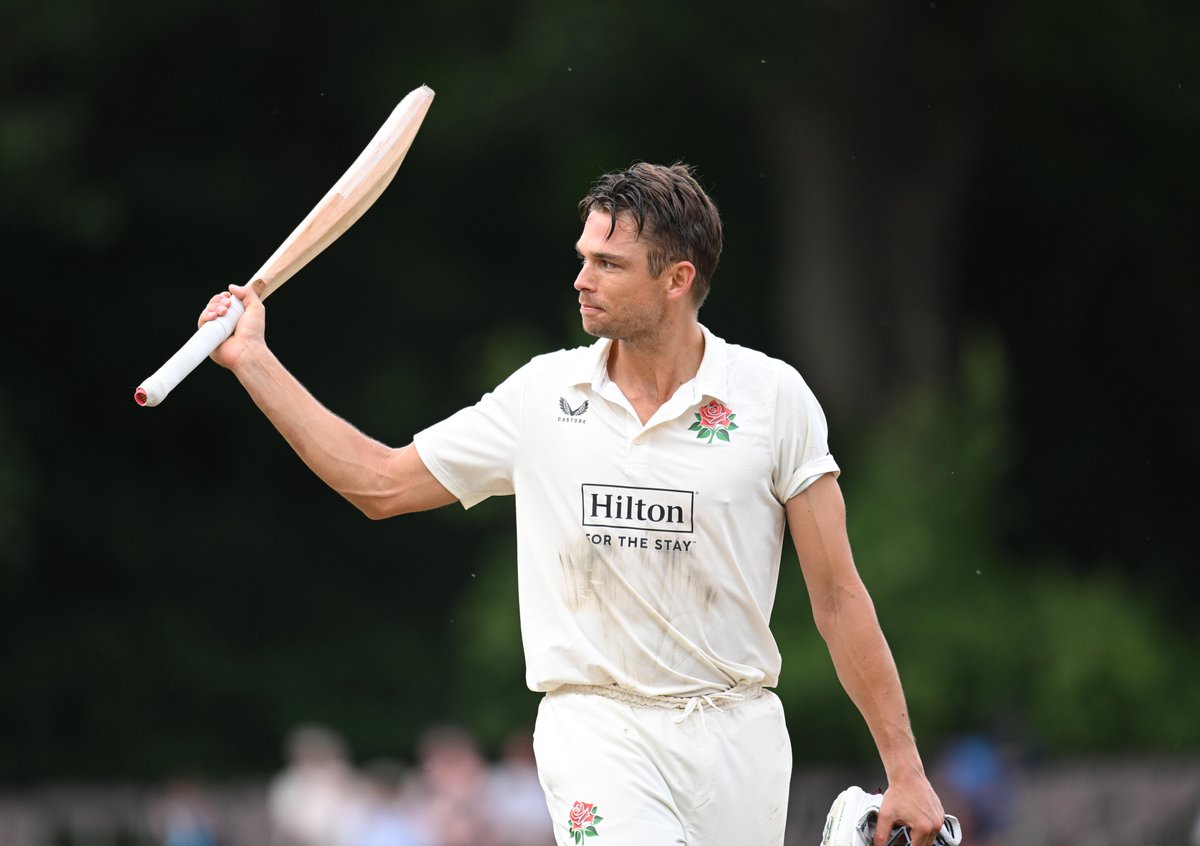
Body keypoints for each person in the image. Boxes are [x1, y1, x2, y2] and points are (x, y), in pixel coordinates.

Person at [198, 162, 945, 846]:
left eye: (608, 265)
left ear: (678, 278)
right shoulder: (543, 397)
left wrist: (905, 771)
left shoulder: (773, 399)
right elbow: (380, 483)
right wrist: (254, 362)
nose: (582, 279)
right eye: (584, 257)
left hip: (737, 730)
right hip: (596, 726)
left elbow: (840, 599)